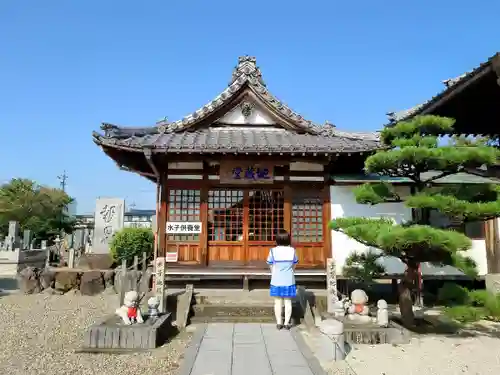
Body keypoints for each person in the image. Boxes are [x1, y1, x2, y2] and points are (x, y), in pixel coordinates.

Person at [266, 230, 298, 330]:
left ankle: (279, 322)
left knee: (277, 302)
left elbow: (270, 263)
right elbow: (294, 264)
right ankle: (287, 323)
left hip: (276, 279)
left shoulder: (273, 251)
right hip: (289, 279)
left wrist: (274, 272)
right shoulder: (292, 250)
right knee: (288, 301)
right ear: (288, 239)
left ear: (277, 239)